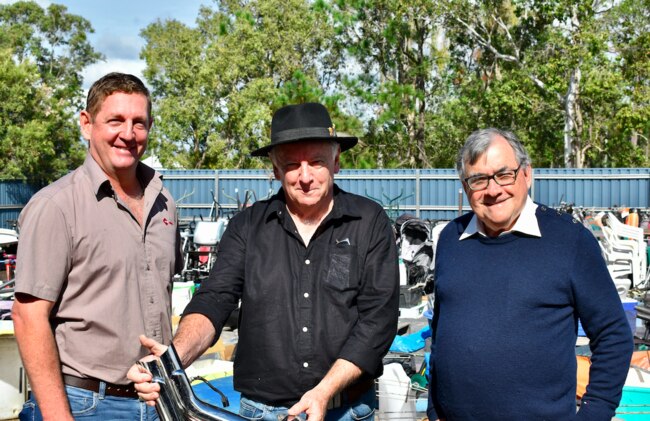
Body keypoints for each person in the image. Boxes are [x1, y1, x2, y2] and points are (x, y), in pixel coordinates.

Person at [128, 102, 400, 421]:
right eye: (291, 165)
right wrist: (171, 362)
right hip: (262, 413)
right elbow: (215, 299)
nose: (305, 176)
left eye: (316, 162)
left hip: (346, 411)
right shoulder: (247, 227)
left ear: (336, 161)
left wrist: (323, 391)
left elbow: (378, 320)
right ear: (275, 169)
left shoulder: (369, 222)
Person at [427, 128, 633, 421]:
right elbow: (441, 329)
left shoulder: (569, 241)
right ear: (465, 186)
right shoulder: (450, 239)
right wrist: (435, 407)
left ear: (527, 174)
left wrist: (593, 413)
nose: (493, 189)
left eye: (504, 174)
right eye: (479, 180)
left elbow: (613, 336)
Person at [12, 72, 181, 420]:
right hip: (85, 403)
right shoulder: (57, 206)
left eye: (139, 123)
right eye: (115, 121)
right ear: (87, 124)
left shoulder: (163, 201)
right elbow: (28, 317)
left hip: (159, 400)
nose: (128, 134)